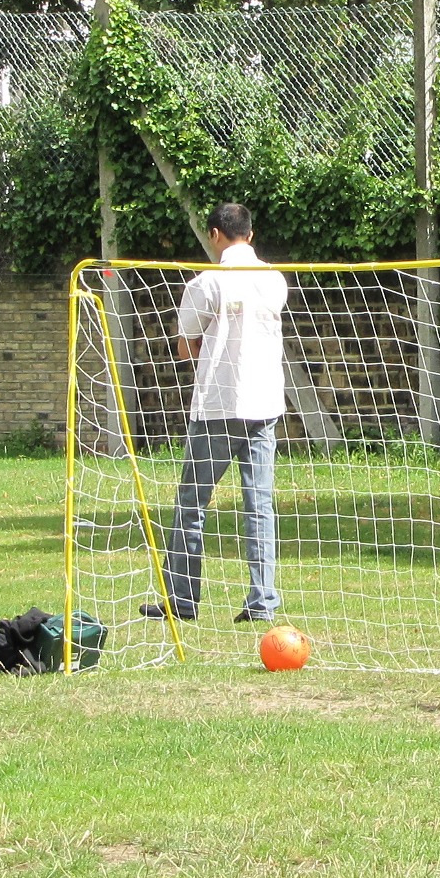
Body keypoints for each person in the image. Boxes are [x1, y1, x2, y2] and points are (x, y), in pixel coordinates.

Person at [142, 202, 287, 624]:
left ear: (214, 235)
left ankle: (183, 601)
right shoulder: (274, 280)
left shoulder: (206, 282)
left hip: (219, 405)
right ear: (251, 235)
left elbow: (185, 344)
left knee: (191, 504)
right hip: (265, 405)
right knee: (259, 505)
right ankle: (262, 602)